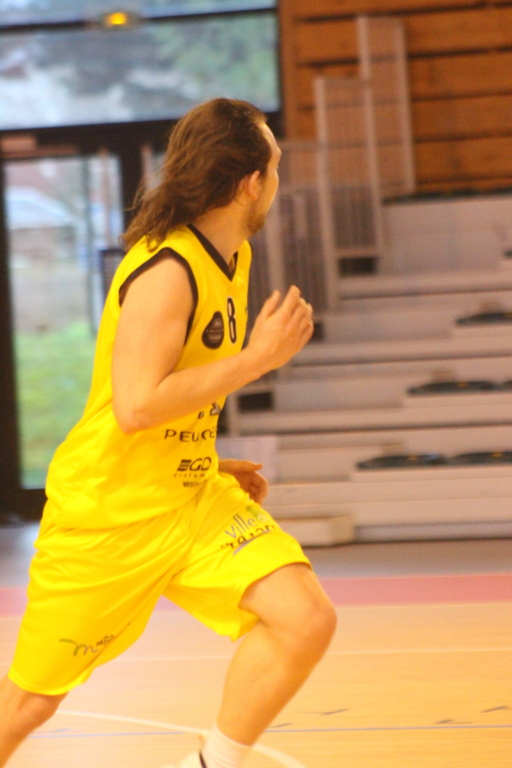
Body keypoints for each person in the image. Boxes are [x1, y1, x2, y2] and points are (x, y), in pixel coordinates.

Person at [0, 98, 337, 768]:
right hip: (110, 514)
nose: (279, 179)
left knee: (305, 618)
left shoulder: (232, 256)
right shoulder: (167, 270)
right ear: (251, 182)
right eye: (276, 165)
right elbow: (136, 406)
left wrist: (206, 460)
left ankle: (213, 763)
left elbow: (179, 393)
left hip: (187, 497)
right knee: (30, 704)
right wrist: (258, 360)